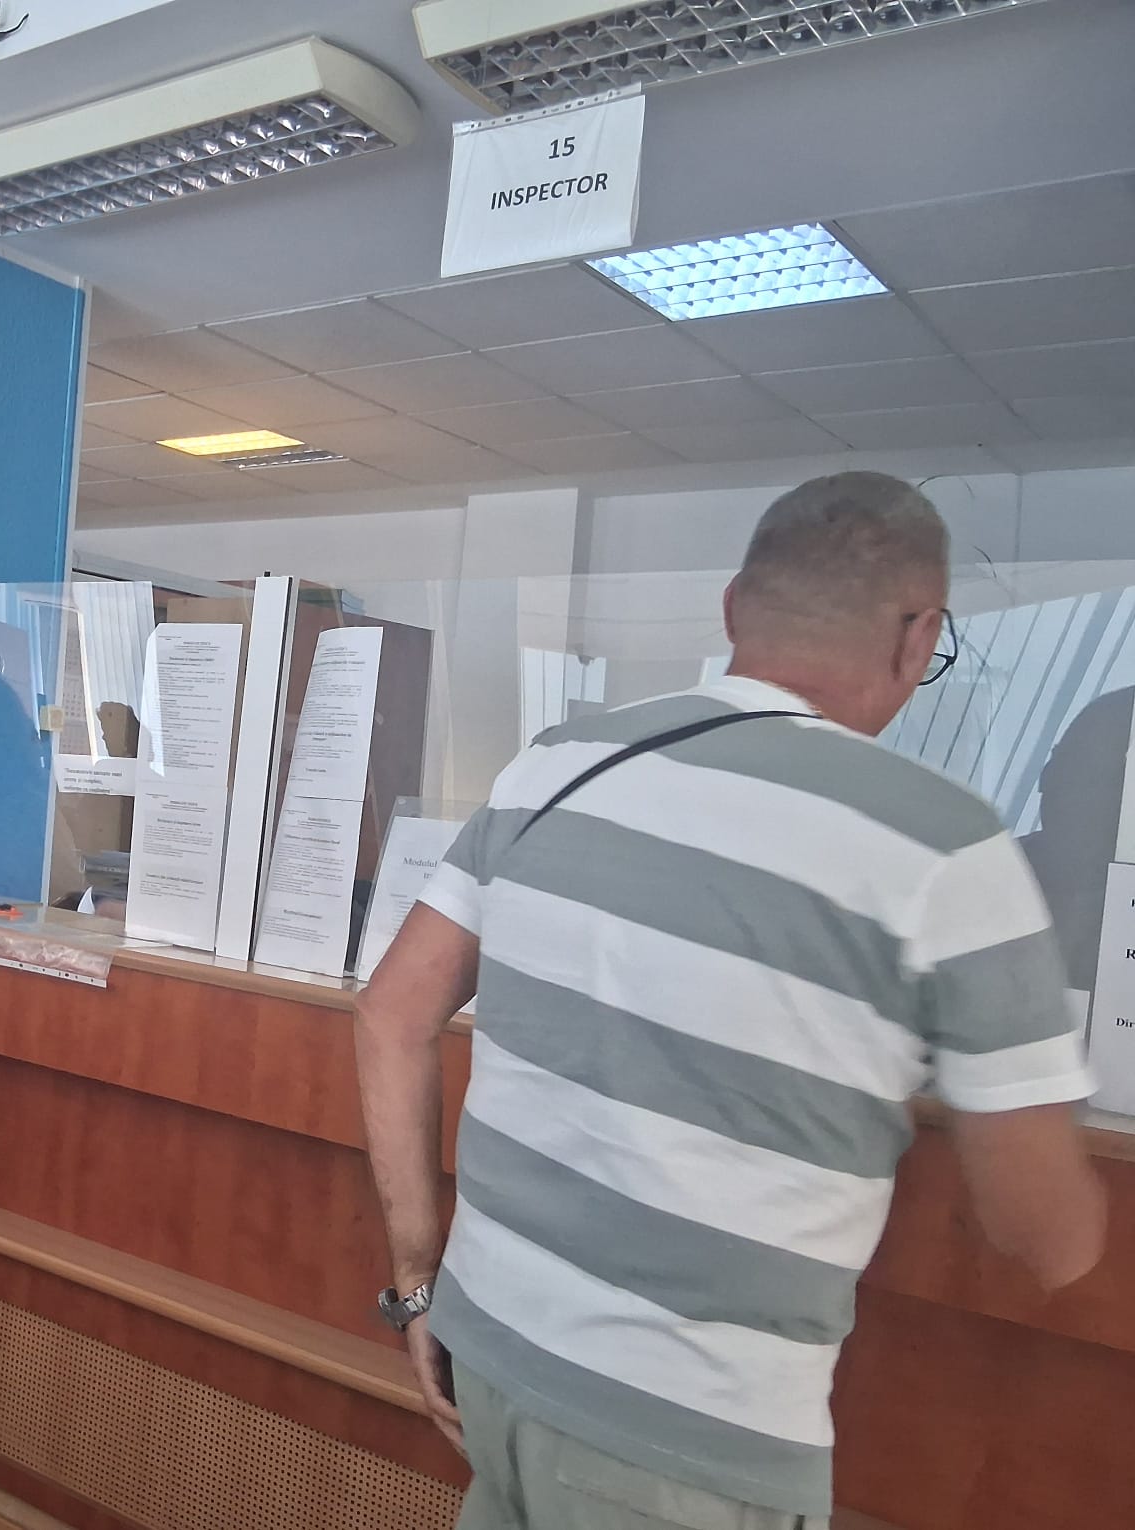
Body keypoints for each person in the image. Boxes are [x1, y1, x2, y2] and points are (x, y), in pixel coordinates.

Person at [355, 472, 1107, 1530]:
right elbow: (1045, 1238)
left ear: (731, 610)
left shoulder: (556, 767)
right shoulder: (943, 847)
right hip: (683, 1434)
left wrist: (418, 1283)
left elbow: (390, 1014)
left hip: (487, 1354)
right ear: (918, 637)